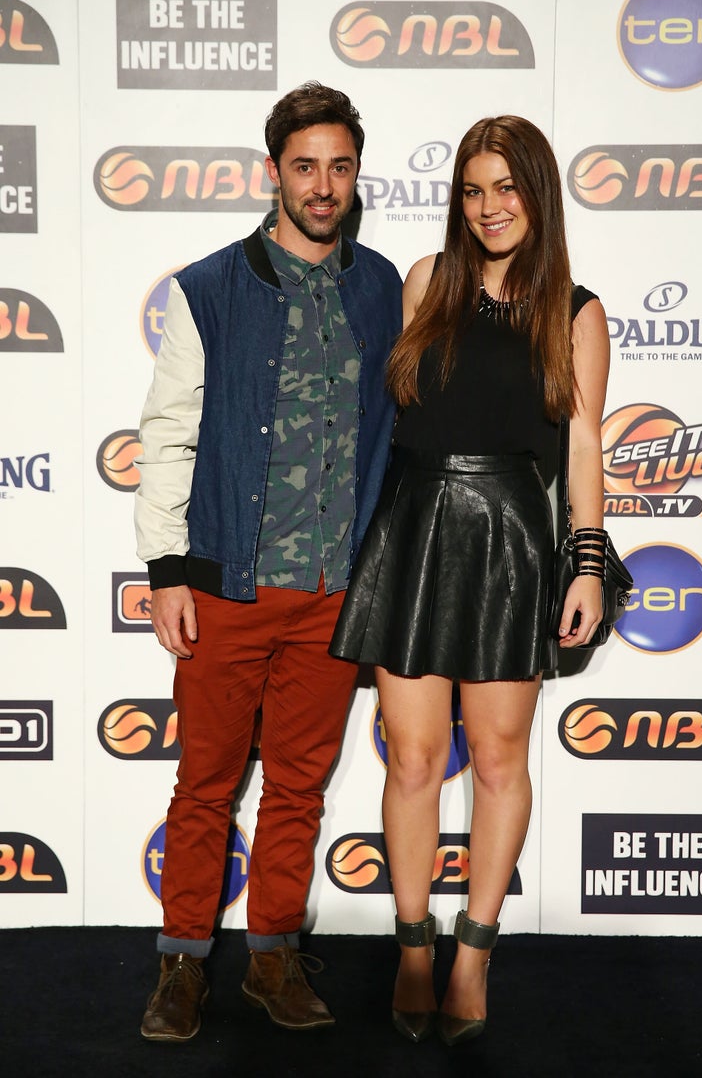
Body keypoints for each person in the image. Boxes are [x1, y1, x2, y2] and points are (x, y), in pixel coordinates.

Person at [330, 115, 610, 1046]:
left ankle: (474, 952)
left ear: (537, 194)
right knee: (411, 758)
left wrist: (586, 560)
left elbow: (580, 445)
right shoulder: (428, 282)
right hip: (414, 529)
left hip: (511, 539)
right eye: (473, 189)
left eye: (507, 188)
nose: (489, 208)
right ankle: (414, 944)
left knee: (496, 761)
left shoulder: (575, 310)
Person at [134, 81, 402, 1042]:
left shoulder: (383, 285)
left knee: (299, 784)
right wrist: (166, 568)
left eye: (339, 167)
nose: (323, 185)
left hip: (333, 595)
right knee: (205, 783)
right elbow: (167, 433)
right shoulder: (208, 287)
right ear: (273, 173)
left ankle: (275, 956)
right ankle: (182, 967)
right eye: (305, 167)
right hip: (228, 589)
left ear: (355, 174)